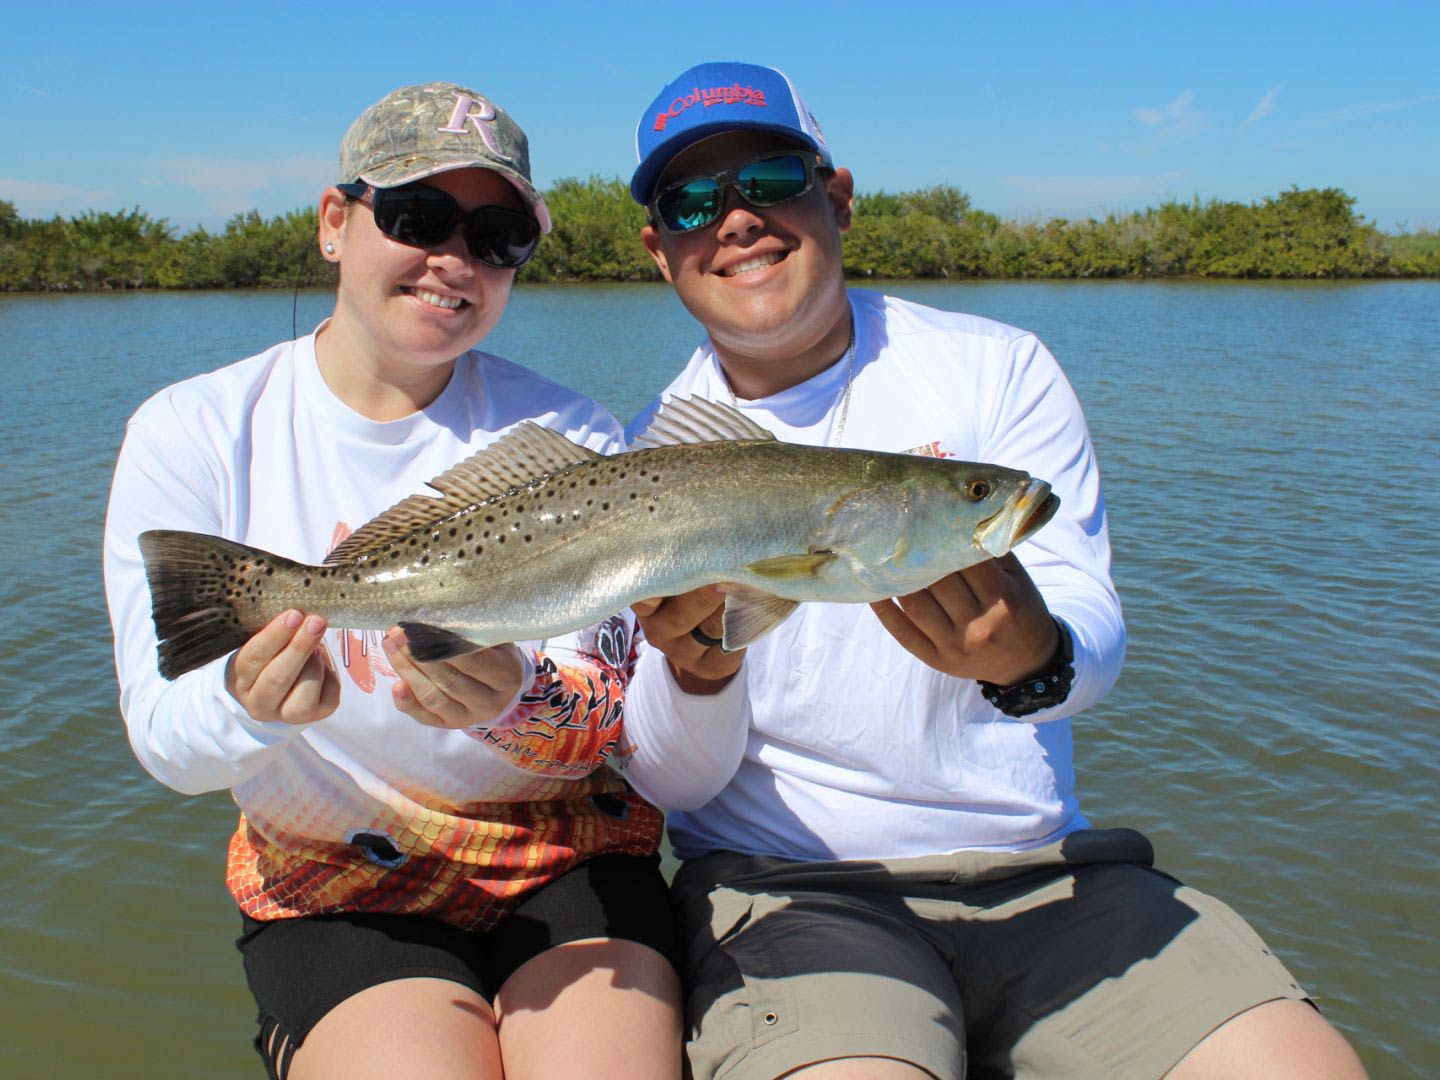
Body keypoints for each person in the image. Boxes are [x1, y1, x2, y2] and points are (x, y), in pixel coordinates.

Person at [614, 62, 1367, 1079]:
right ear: (662, 251)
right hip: (788, 893)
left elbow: (1091, 622)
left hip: (1050, 877)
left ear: (835, 197)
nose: (737, 219)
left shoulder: (993, 367)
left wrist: (1035, 658)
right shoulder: (639, 467)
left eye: (774, 178)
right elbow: (665, 778)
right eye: (694, 201)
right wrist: (700, 672)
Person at [103, 82, 680, 1080]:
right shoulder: (191, 430)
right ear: (336, 223)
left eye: (496, 236)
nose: (454, 260)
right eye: (417, 218)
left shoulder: (573, 435)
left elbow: (615, 714)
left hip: (568, 851)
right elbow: (167, 745)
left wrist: (515, 703)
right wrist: (251, 709)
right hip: (336, 882)